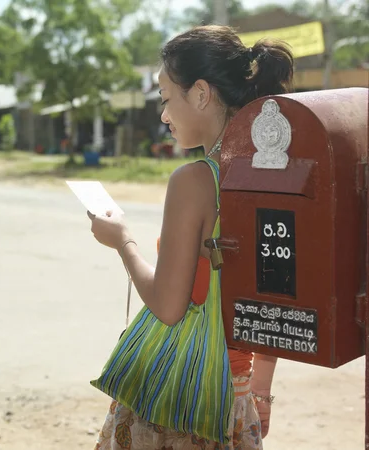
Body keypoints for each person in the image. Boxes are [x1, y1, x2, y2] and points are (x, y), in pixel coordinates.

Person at [88, 25, 294, 449]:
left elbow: (167, 306)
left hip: (182, 394)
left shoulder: (195, 181)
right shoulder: (276, 175)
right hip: (237, 395)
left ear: (200, 93)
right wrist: (260, 391)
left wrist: (122, 241)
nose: (163, 115)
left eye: (166, 99)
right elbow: (276, 297)